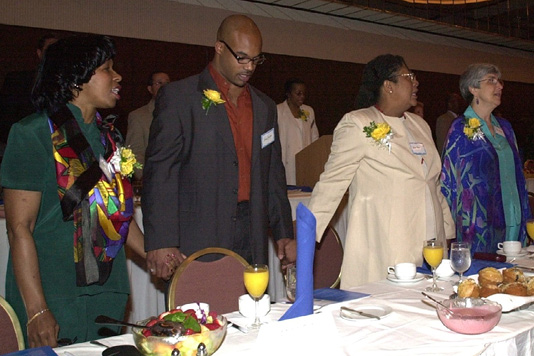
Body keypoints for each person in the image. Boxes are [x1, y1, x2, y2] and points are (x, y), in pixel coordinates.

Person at [0, 35, 148, 347]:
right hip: (53, 291)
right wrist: (36, 308)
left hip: (107, 290)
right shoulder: (32, 133)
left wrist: (154, 254)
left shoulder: (109, 138)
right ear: (75, 80)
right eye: (107, 69)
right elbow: (19, 229)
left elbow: (117, 214)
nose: (117, 76)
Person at [142, 14, 294, 279]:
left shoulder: (265, 107)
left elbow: (273, 173)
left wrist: (283, 233)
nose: (249, 67)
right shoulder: (179, 97)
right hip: (198, 233)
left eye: (256, 59)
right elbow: (160, 173)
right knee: (198, 317)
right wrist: (160, 240)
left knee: (251, 315)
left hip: (252, 233)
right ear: (219, 48)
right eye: (242, 57)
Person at [305, 54, 454, 288]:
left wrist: (447, 229)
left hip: (431, 247)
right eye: (409, 77)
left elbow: (432, 182)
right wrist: (305, 238)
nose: (416, 82)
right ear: (388, 86)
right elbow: (331, 184)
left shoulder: (420, 125)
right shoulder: (359, 123)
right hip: (387, 245)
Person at [440, 63, 531, 253]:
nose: (499, 86)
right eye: (491, 80)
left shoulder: (505, 127)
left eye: (499, 81)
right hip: (478, 221)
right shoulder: (460, 128)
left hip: (511, 213)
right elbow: (448, 180)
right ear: (473, 89)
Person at [0, 33, 59, 143]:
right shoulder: (18, 80)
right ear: (39, 53)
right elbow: (6, 118)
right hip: (19, 140)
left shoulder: (66, 84)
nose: (54, 54)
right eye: (50, 49)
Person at [125, 71, 170, 180]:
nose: (164, 87)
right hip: (154, 180)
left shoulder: (180, 113)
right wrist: (146, 178)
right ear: (150, 89)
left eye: (167, 83)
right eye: (159, 83)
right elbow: (134, 153)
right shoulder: (138, 116)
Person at [277, 78, 319, 185]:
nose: (302, 97)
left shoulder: (308, 111)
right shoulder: (278, 111)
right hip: (287, 160)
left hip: (305, 161)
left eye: (304, 93)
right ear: (288, 93)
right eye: (298, 93)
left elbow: (314, 137)